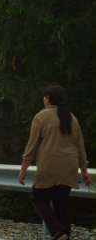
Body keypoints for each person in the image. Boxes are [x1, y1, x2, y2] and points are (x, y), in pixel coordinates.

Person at [18, 84, 92, 240]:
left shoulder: (41, 117)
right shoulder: (72, 117)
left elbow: (32, 146)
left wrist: (23, 169)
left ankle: (58, 232)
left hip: (49, 165)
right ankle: (65, 235)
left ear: (48, 99)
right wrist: (84, 171)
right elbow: (80, 147)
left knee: (39, 199)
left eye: (44, 97)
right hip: (69, 167)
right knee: (61, 203)